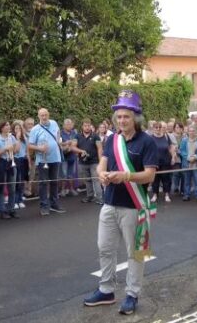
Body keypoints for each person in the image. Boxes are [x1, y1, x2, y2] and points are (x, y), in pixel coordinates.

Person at [83, 90, 157, 315]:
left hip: (134, 206)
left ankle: (132, 294)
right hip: (110, 203)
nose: (122, 120)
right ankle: (106, 289)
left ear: (135, 117)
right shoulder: (112, 139)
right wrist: (102, 174)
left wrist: (126, 176)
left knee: (135, 252)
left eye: (126, 116)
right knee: (104, 248)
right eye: (119, 117)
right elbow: (102, 164)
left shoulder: (147, 142)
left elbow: (149, 175)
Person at [28, 108, 66, 216]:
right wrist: (40, 148)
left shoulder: (54, 123)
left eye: (45, 115)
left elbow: (58, 135)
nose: (44, 117)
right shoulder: (35, 129)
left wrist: (59, 142)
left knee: (54, 181)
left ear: (48, 115)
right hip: (42, 159)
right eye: (42, 115)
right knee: (43, 183)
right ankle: (44, 206)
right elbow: (30, 145)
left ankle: (54, 204)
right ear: (38, 116)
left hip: (55, 158)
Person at [0, 121, 19, 219]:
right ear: (2, 127)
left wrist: (18, 139)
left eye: (8, 125)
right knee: (1, 188)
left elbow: (16, 151)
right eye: (6, 125)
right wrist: (5, 149)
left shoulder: (12, 137)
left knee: (12, 188)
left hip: (11, 162)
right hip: (1, 164)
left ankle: (11, 209)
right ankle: (2, 211)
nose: (9, 127)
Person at [76, 118, 103, 205]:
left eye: (88, 126)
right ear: (82, 126)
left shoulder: (95, 136)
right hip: (83, 162)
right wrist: (81, 151)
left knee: (96, 180)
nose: (87, 127)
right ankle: (90, 196)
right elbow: (72, 147)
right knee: (87, 180)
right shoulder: (77, 136)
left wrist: (100, 161)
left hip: (94, 162)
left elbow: (99, 148)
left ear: (91, 126)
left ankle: (100, 198)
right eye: (85, 126)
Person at [149, 121, 176, 203]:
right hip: (154, 162)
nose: (158, 129)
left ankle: (167, 195)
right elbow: (147, 150)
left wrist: (173, 158)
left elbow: (171, 148)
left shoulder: (166, 137)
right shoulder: (150, 138)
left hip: (165, 162)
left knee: (166, 179)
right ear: (153, 129)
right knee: (155, 179)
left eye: (159, 127)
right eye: (156, 127)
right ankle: (155, 194)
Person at [179, 126, 197, 202]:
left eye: (193, 131)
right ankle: (186, 195)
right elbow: (181, 151)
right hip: (187, 164)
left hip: (196, 163)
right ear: (188, 132)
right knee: (186, 180)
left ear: (195, 132)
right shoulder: (184, 141)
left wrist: (195, 157)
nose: (191, 132)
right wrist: (188, 158)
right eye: (190, 131)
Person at [60, 118, 79, 197]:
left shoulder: (74, 133)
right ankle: (63, 190)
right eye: (67, 124)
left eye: (70, 124)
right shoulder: (60, 133)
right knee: (64, 174)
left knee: (71, 174)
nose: (69, 125)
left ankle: (71, 189)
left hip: (72, 157)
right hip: (64, 157)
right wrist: (66, 143)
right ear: (64, 125)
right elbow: (59, 144)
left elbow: (77, 142)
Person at [12, 120, 29, 209]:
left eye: (19, 128)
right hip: (15, 159)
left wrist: (29, 162)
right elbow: (16, 150)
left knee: (21, 181)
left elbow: (27, 150)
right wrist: (17, 138)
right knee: (16, 181)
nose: (18, 130)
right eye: (16, 128)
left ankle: (20, 200)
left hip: (23, 160)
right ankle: (14, 201)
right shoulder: (12, 138)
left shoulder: (24, 138)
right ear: (13, 129)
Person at [168, 122, 185, 194]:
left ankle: (182, 190)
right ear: (174, 128)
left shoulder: (185, 136)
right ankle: (175, 187)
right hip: (176, 157)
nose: (178, 129)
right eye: (177, 127)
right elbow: (170, 147)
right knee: (176, 173)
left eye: (180, 127)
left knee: (184, 174)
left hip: (184, 157)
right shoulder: (170, 136)